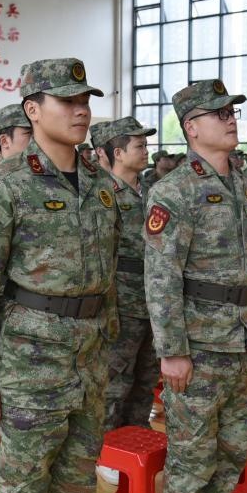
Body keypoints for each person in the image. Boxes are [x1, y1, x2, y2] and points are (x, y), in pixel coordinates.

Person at [0, 58, 119, 493]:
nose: (81, 110)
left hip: (87, 367)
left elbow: (109, 278)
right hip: (27, 371)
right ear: (33, 109)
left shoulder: (99, 184)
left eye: (84, 100)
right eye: (67, 101)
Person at [144, 81, 247, 493]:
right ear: (192, 128)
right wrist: (172, 350)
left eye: (231, 111)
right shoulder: (174, 191)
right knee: (192, 455)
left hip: (243, 341)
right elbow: (161, 277)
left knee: (231, 450)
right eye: (219, 114)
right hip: (198, 346)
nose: (231, 119)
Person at [92, 117, 158, 448]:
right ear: (118, 153)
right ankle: (108, 447)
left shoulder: (151, 192)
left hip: (153, 301)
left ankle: (135, 440)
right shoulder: (104, 195)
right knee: (116, 379)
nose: (146, 151)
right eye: (139, 146)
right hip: (121, 304)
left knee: (146, 377)